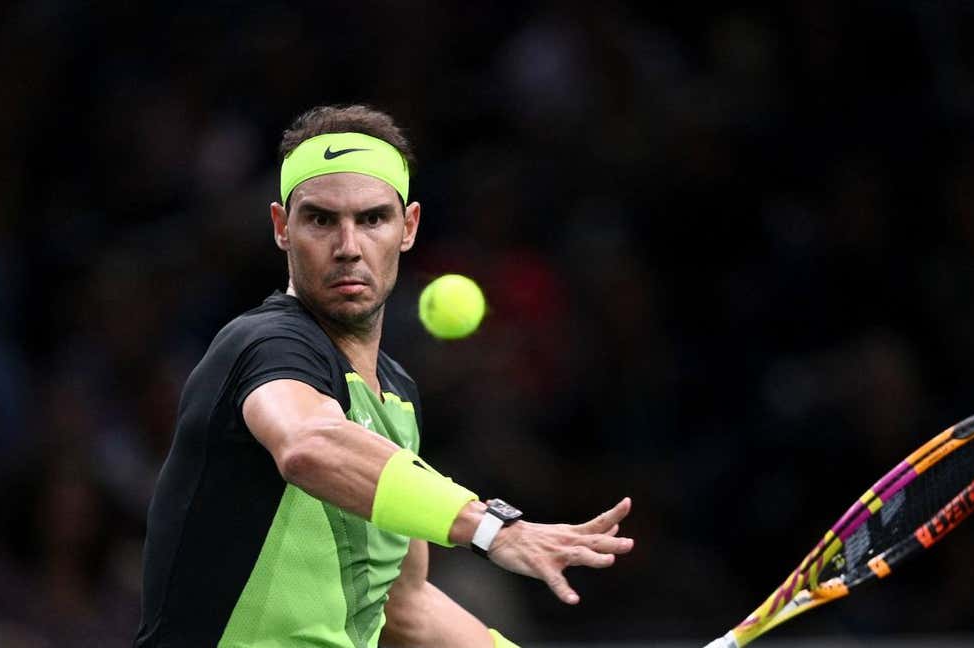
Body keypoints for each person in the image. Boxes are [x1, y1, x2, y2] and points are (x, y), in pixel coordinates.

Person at [135, 105, 634, 647]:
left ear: (408, 227)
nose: (348, 247)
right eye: (321, 219)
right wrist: (491, 528)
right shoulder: (264, 345)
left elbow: (406, 605)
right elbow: (309, 443)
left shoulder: (397, 398)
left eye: (372, 219)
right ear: (282, 227)